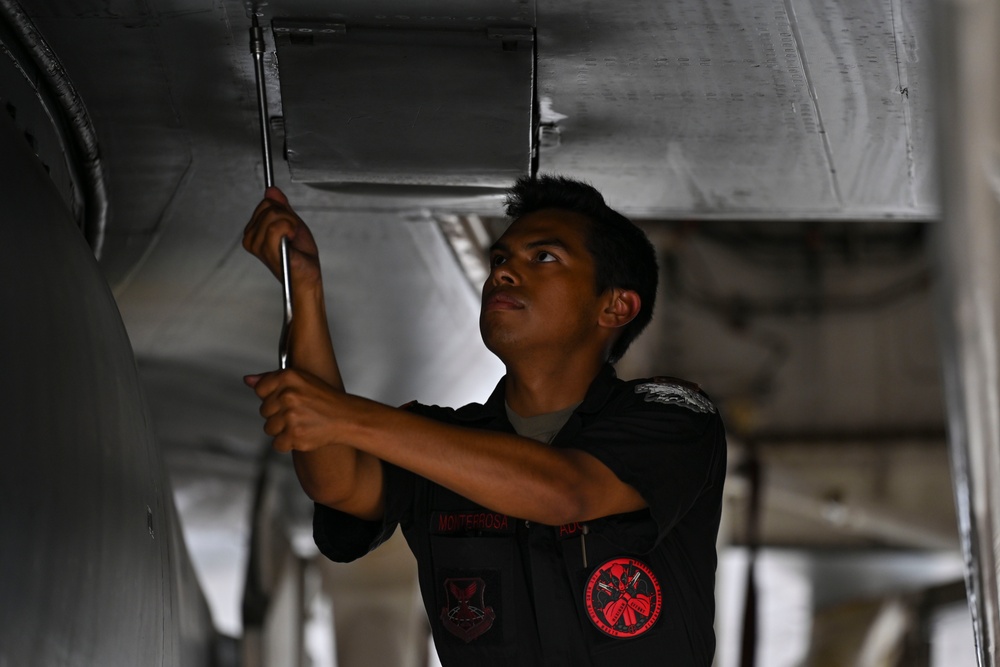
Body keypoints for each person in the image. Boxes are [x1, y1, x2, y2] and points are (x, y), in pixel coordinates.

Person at [243, 175, 727, 666]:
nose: (504, 273)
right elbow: (338, 482)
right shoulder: (439, 442)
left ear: (615, 305)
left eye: (544, 257)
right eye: (499, 259)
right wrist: (303, 288)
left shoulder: (673, 416)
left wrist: (347, 416)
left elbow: (565, 492)